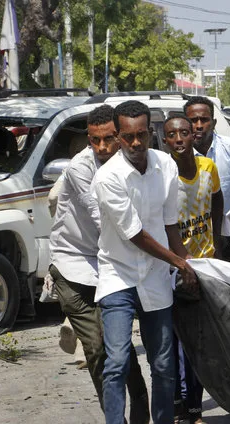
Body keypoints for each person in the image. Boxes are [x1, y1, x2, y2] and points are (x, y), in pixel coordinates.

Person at [91, 100, 197, 424]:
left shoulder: (166, 166)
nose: (135, 143)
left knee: (164, 364)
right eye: (127, 137)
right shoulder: (108, 177)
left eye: (141, 134)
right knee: (118, 361)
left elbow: (169, 223)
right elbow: (135, 235)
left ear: (150, 132)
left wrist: (186, 264)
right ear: (117, 137)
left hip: (154, 275)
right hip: (117, 274)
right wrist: (178, 261)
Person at [49, 105, 150, 423]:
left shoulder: (136, 160)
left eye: (110, 139)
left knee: (118, 346)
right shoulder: (81, 169)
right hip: (74, 265)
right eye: (95, 141)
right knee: (97, 349)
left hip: (112, 264)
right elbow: (108, 222)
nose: (103, 148)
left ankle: (140, 404)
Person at [163, 115, 223, 424]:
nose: (179, 139)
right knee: (173, 343)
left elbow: (217, 200)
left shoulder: (208, 169)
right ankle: (177, 407)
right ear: (165, 141)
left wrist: (217, 243)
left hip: (204, 266)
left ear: (193, 136)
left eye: (184, 133)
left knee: (197, 346)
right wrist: (180, 260)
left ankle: (195, 409)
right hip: (173, 269)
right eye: (172, 135)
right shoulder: (164, 177)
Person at [184, 97, 230, 262]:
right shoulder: (179, 157)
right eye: (193, 120)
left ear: (213, 122)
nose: (198, 125)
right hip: (194, 241)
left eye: (204, 120)